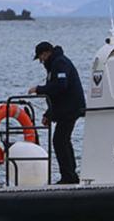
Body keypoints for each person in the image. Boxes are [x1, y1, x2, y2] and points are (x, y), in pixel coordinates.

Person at [28, 41, 85, 184]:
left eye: (41, 58)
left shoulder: (60, 63)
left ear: (46, 53)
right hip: (67, 107)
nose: (41, 62)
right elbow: (58, 97)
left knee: (60, 140)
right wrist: (49, 114)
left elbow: (61, 86)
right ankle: (70, 175)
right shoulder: (57, 63)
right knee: (63, 140)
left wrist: (39, 89)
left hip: (71, 108)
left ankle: (69, 176)